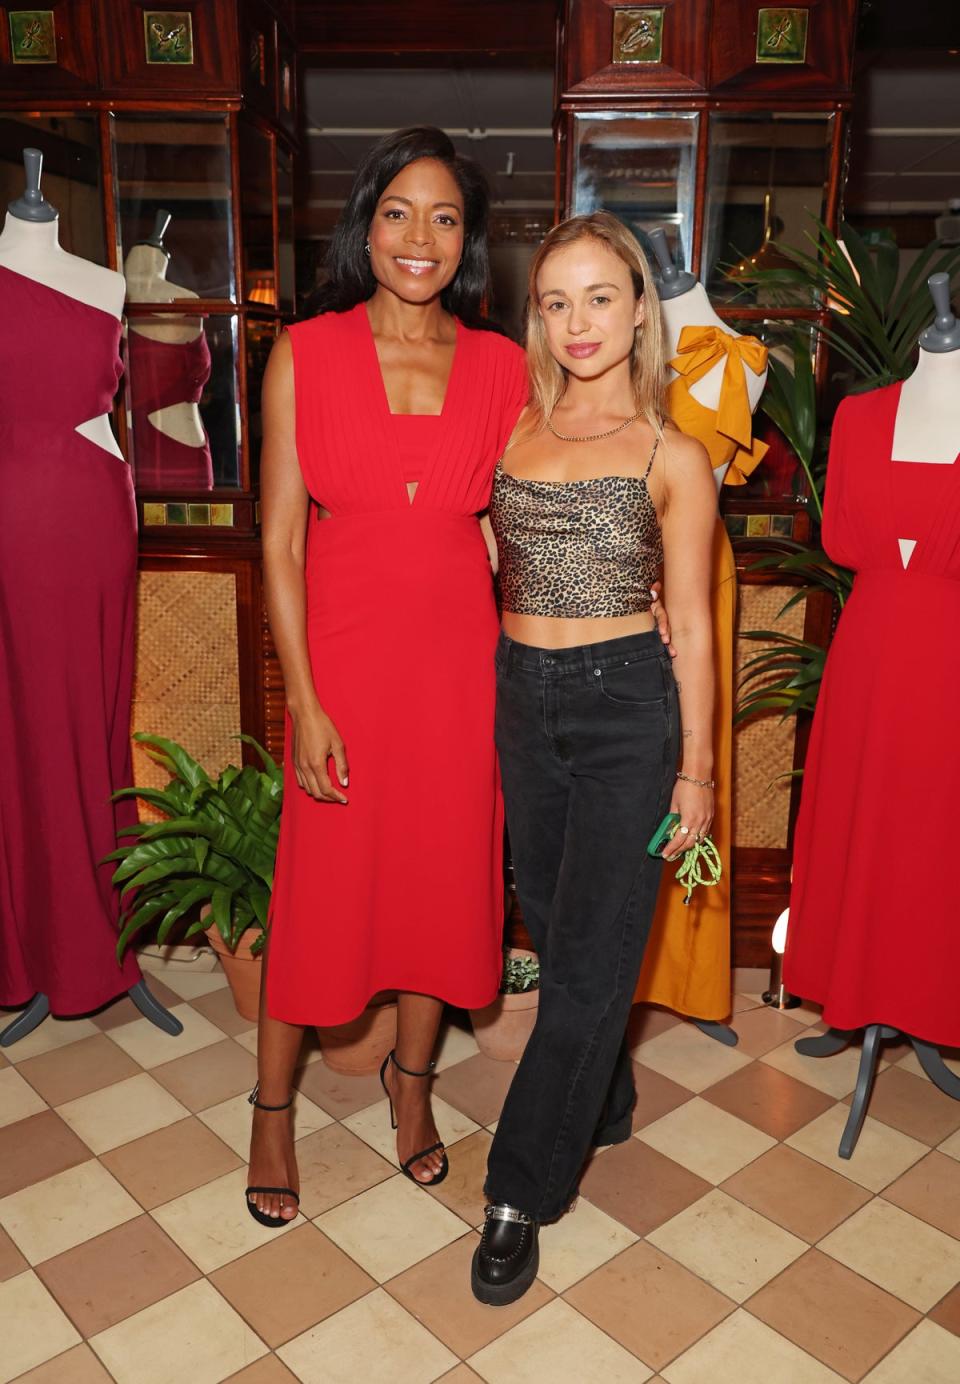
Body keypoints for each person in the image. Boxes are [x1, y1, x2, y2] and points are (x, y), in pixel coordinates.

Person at [246, 127, 529, 1224]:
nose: (421, 236)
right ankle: (273, 1110)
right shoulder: (305, 352)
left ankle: (411, 1097)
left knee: (437, 881)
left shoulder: (503, 366)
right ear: (368, 225)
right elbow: (279, 540)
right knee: (318, 890)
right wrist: (305, 698)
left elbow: (520, 527)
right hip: (347, 670)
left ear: (468, 244)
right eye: (400, 212)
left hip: (463, 673)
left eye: (446, 217)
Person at [473, 212, 717, 1305]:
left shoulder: (675, 454)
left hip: (628, 708)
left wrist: (699, 770)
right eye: (556, 300)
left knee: (581, 962)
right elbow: (482, 553)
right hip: (523, 702)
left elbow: (698, 628)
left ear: (636, 308)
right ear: (538, 314)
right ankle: (605, 1097)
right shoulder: (513, 431)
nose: (578, 321)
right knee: (555, 919)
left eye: (600, 297)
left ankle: (518, 1189)